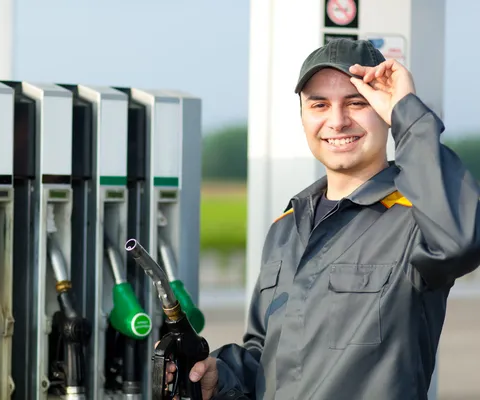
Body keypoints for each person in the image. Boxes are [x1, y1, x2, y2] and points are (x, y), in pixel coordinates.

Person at [165, 39, 480, 399]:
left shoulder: (416, 219)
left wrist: (407, 114)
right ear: (303, 117)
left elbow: (462, 241)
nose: (337, 120)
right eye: (319, 105)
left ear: (384, 112)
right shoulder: (286, 227)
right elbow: (265, 355)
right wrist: (220, 375)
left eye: (356, 102)